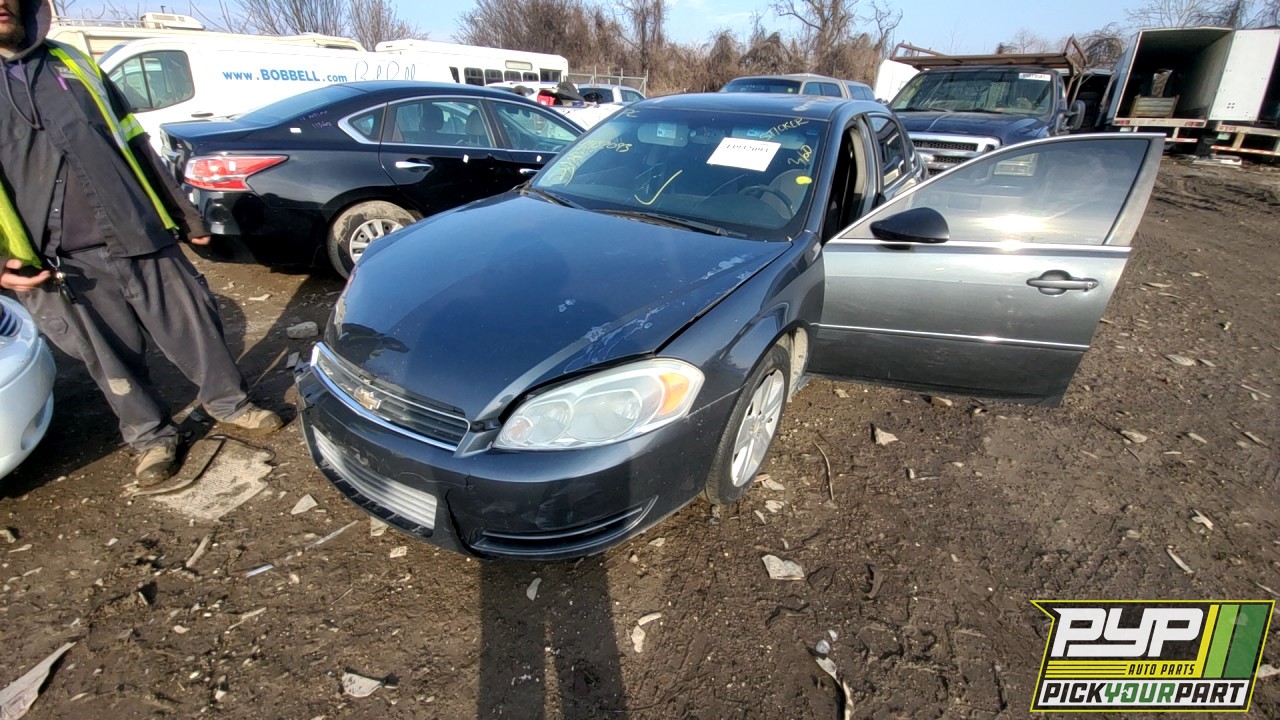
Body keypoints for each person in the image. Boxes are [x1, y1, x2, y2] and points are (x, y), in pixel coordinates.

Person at [1, 0, 281, 485]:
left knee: (195, 323)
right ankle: (151, 438)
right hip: (61, 259)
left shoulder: (72, 63)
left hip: (137, 229)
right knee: (108, 357)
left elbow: (133, 139)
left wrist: (182, 210)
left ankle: (230, 403)